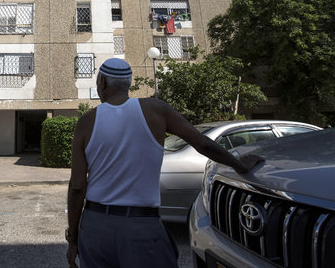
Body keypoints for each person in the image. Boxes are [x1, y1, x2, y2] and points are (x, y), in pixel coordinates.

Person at [66, 58, 263, 268]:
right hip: (142, 227)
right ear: (129, 83)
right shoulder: (155, 110)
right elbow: (203, 144)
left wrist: (73, 237)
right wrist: (238, 164)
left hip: (96, 226)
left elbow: (77, 186)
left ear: (102, 83)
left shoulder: (86, 121)